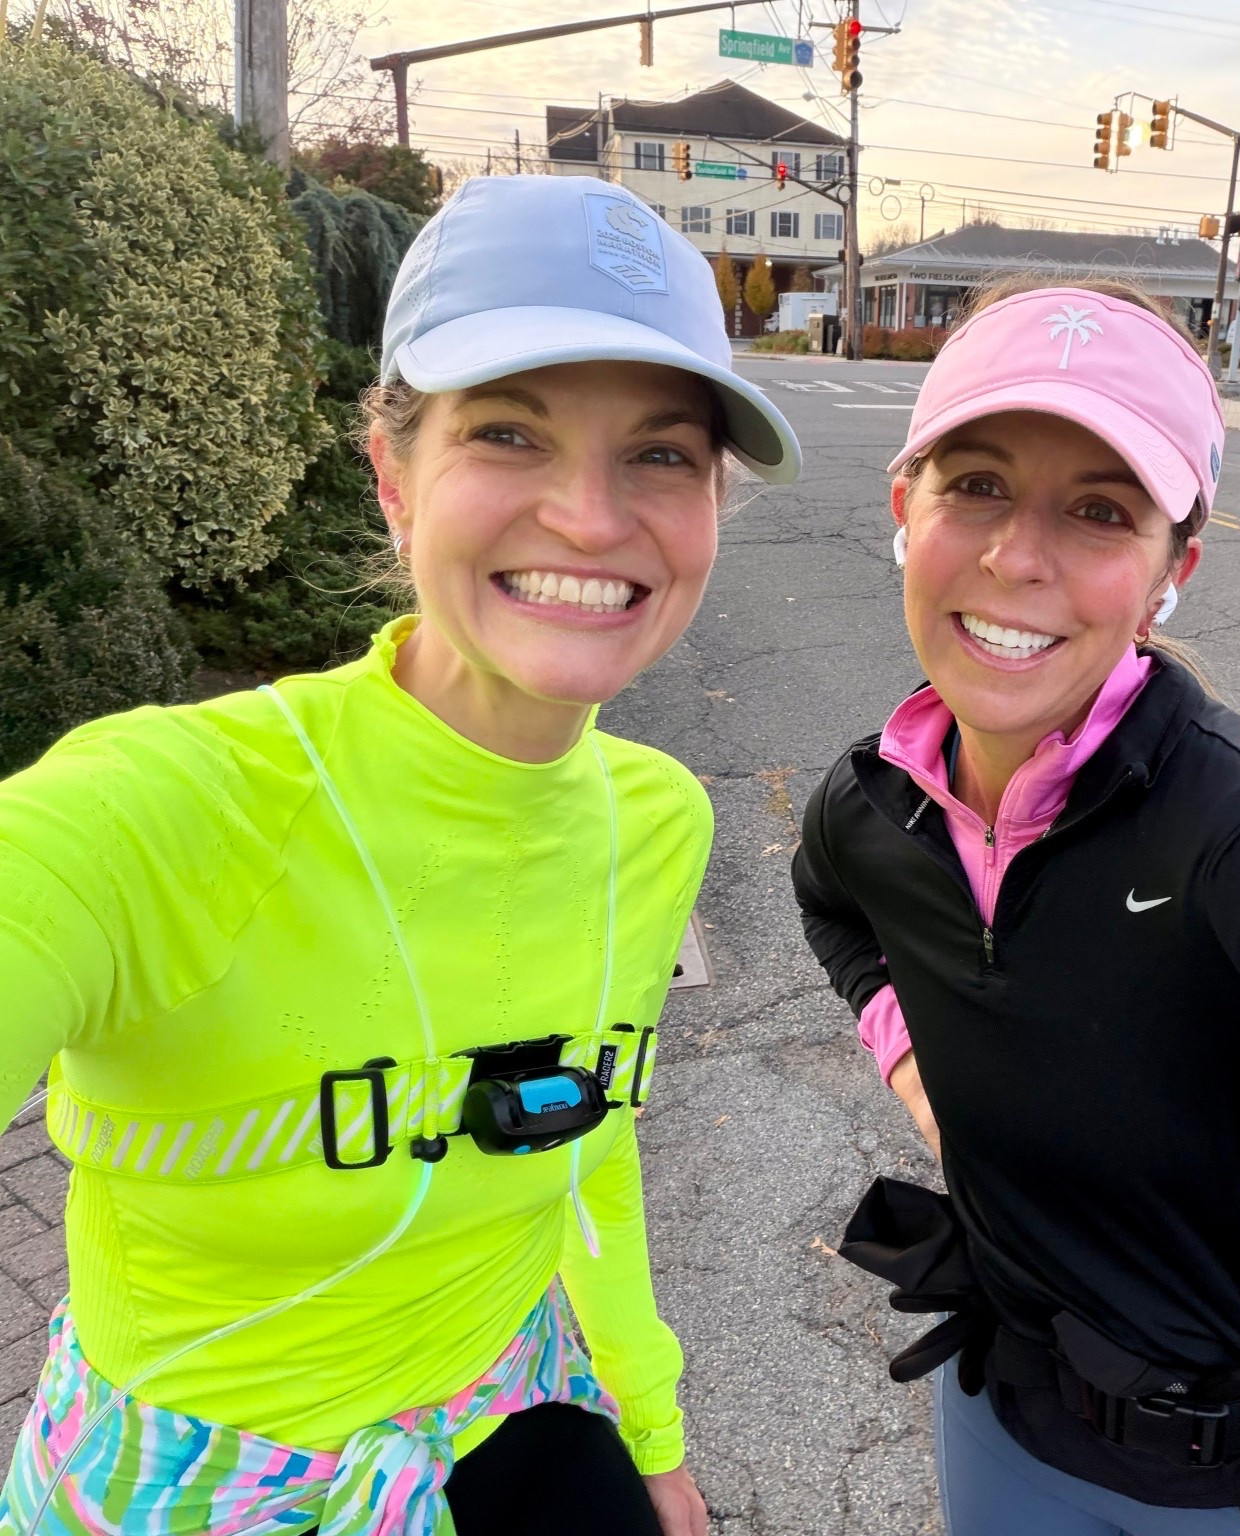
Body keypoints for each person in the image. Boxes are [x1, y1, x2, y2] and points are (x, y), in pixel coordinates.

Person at [0, 174, 799, 1536]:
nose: (592, 518)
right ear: (392, 478)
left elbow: (581, 1138)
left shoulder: (659, 818)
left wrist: (650, 1426)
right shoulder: (159, 809)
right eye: (509, 433)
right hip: (187, 1485)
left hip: (510, 1412)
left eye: (661, 454)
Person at [791, 278, 1240, 1536]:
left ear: (1168, 573)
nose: (1016, 557)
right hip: (1005, 1425)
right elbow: (836, 909)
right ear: (904, 510)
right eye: (976, 484)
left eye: (1099, 510)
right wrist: (920, 1072)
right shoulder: (876, 802)